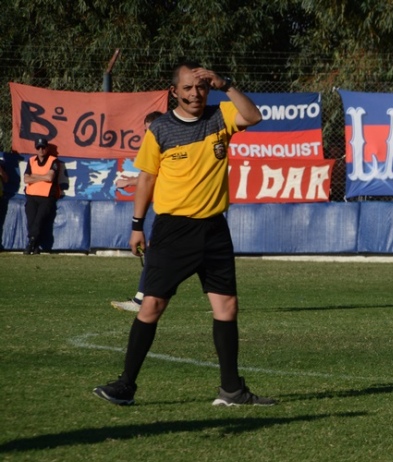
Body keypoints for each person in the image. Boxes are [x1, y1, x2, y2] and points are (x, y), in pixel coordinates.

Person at [94, 60, 274, 407]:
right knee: (152, 305)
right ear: (174, 91)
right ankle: (125, 386)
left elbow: (253, 117)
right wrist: (136, 225)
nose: (195, 93)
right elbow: (145, 179)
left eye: (201, 87)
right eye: (188, 88)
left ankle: (231, 391)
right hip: (173, 230)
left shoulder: (220, 115)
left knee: (227, 307)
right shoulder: (160, 129)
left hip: (214, 230)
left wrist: (227, 84)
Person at [111, 110, 164, 312]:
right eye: (145, 131)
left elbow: (155, 179)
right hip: (168, 210)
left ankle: (141, 301)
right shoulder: (155, 148)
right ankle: (224, 302)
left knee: (156, 253)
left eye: (149, 131)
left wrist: (131, 181)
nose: (147, 135)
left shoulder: (165, 147)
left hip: (178, 212)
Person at [22, 138, 63, 255]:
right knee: (31, 221)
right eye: (38, 147)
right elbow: (26, 179)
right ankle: (35, 247)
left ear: (47, 148)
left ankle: (31, 244)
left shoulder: (53, 161)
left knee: (38, 221)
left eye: (43, 147)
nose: (41, 150)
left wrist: (34, 177)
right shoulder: (31, 161)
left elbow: (50, 178)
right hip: (31, 195)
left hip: (46, 196)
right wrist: (42, 176)